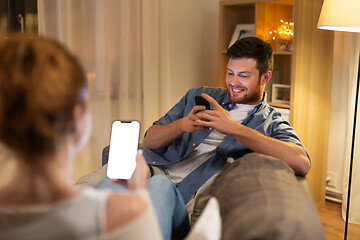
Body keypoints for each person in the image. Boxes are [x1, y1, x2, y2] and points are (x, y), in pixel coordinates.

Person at [0, 34, 189, 240]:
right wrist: (139, 197)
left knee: (114, 183)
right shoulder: (126, 214)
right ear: (77, 119)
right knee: (159, 185)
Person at [142, 36, 311, 204]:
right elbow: (149, 140)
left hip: (182, 193)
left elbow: (302, 163)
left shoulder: (271, 121)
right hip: (155, 169)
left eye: (243, 75)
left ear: (265, 77)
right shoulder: (199, 95)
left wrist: (233, 129)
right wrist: (182, 125)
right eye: (230, 73)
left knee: (156, 190)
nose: (233, 82)